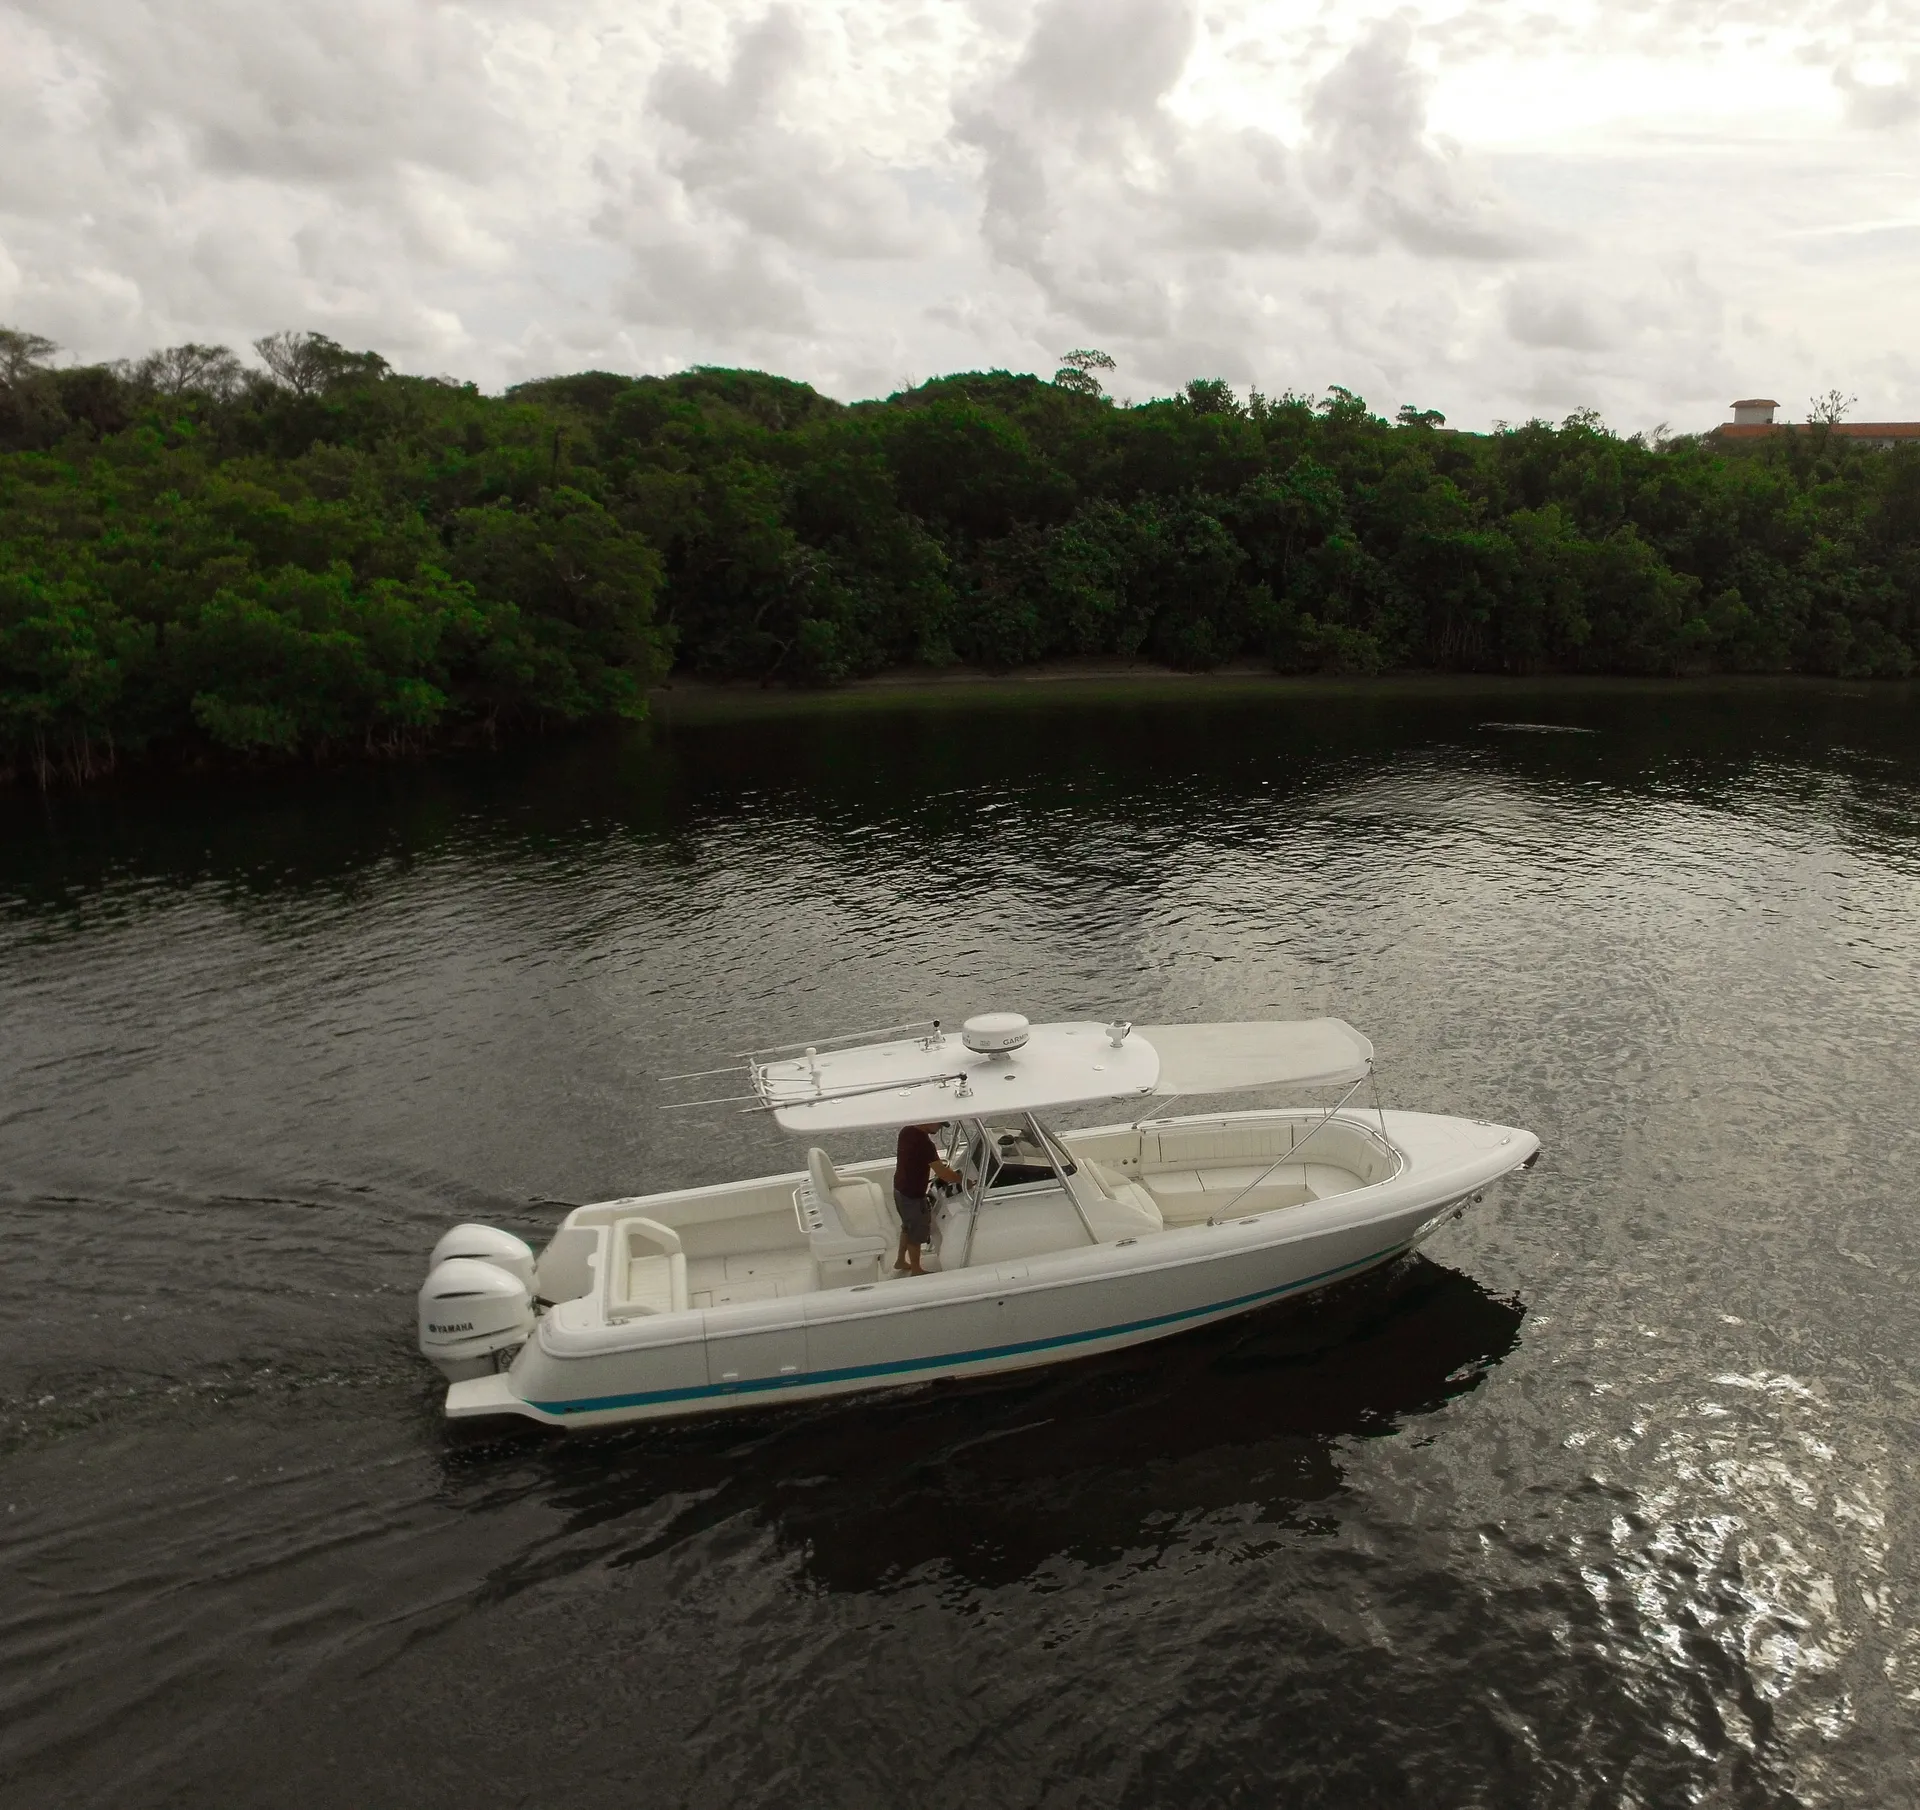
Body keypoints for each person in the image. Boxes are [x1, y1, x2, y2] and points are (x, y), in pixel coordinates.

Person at [892, 1121, 958, 1276]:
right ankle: (916, 1269)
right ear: (930, 1121)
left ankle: (900, 1260)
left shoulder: (906, 1130)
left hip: (899, 1189)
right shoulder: (925, 1144)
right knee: (916, 1231)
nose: (940, 1128)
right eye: (940, 1124)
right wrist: (962, 1180)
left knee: (907, 1227)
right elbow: (944, 1175)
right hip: (912, 1195)